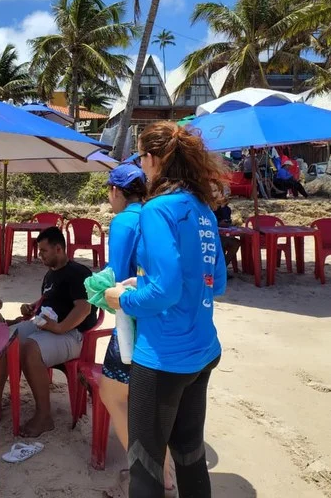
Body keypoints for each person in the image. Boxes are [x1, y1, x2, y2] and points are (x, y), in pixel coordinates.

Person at [105, 121, 227, 498]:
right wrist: (141, 285)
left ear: (155, 159)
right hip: (203, 351)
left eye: (141, 156)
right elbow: (216, 282)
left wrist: (122, 298)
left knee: (145, 465)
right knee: (190, 455)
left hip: (163, 358)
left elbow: (166, 289)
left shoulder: (157, 210)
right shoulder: (203, 210)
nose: (141, 165)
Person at [96, 165, 177, 494]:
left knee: (112, 394)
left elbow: (116, 276)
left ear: (115, 191)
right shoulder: (156, 214)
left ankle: (149, 471)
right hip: (164, 320)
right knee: (151, 401)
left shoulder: (124, 221)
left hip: (132, 317)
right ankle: (167, 471)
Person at [13, 226, 98, 438]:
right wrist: (32, 307)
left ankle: (44, 416)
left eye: (43, 251)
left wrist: (58, 328)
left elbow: (84, 307)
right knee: (7, 338)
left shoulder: (78, 273)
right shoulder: (51, 274)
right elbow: (49, 301)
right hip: (47, 326)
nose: (39, 255)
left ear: (58, 249)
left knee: (31, 349)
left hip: (72, 334)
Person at [211, 181, 241, 270]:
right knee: (222, 244)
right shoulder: (208, 207)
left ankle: (222, 268)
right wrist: (218, 223)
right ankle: (220, 270)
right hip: (211, 235)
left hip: (222, 234)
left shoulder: (226, 208)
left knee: (236, 243)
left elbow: (227, 220)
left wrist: (223, 206)